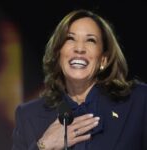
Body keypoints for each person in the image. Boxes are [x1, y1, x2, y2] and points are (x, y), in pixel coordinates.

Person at [12, 9, 147, 150]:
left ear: (103, 60)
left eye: (91, 40)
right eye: (70, 38)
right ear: (58, 54)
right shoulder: (28, 116)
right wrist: (44, 145)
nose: (79, 48)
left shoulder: (139, 103)